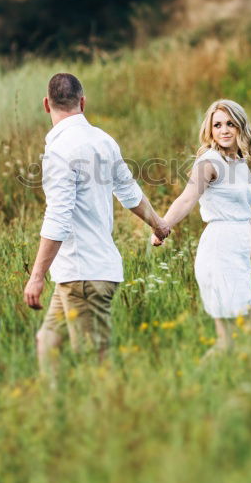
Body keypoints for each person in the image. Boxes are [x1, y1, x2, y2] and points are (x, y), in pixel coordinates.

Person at [24, 73, 170, 376]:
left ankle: (105, 415)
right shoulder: (103, 140)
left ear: (46, 106)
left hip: (84, 275)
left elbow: (58, 217)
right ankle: (52, 407)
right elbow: (129, 193)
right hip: (78, 274)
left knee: (94, 362)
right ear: (83, 102)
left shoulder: (59, 151)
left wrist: (37, 276)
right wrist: (158, 225)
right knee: (48, 339)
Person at [152, 99, 251, 354]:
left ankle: (238, 384)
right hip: (220, 252)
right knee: (235, 338)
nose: (224, 130)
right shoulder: (209, 162)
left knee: (243, 337)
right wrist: (162, 226)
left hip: (238, 253)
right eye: (217, 125)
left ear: (241, 127)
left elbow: (244, 216)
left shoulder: (240, 163)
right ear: (210, 130)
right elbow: (186, 199)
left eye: (230, 123)